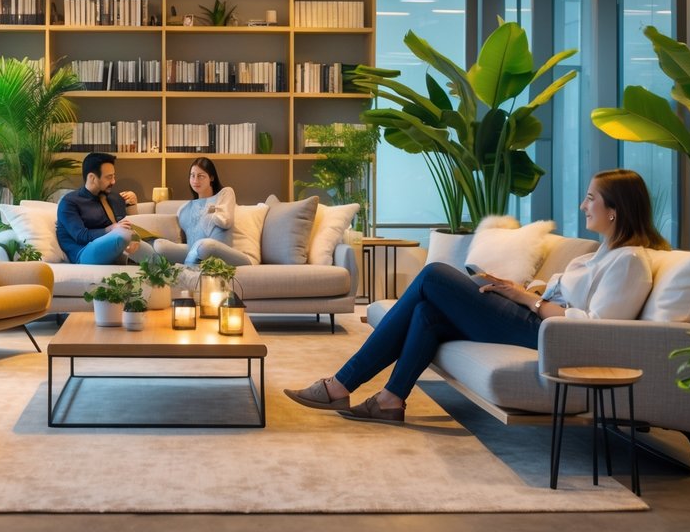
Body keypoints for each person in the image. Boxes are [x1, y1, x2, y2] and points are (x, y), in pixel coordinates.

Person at [285, 168, 667, 423]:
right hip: (535, 318)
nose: (583, 205)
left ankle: (340, 385)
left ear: (615, 210)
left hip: (548, 334)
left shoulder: (629, 262)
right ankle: (390, 400)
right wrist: (521, 289)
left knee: (433, 276)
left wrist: (526, 300)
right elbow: (566, 295)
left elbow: (595, 327)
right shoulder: (602, 253)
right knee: (426, 314)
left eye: (590, 199)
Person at [153, 157, 254, 266]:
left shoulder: (225, 193)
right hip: (196, 252)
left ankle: (188, 270)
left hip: (223, 254)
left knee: (205, 245)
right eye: (192, 175)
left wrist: (209, 209)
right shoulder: (184, 209)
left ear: (211, 177)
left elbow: (226, 221)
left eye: (201, 176)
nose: (195, 180)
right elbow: (185, 239)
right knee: (160, 245)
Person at [56, 152, 141, 265]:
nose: (113, 182)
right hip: (84, 251)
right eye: (109, 177)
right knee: (123, 235)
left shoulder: (113, 198)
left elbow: (128, 223)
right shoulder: (69, 202)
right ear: (92, 178)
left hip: (117, 244)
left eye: (114, 176)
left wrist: (132, 206)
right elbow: (81, 236)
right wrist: (111, 229)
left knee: (159, 247)